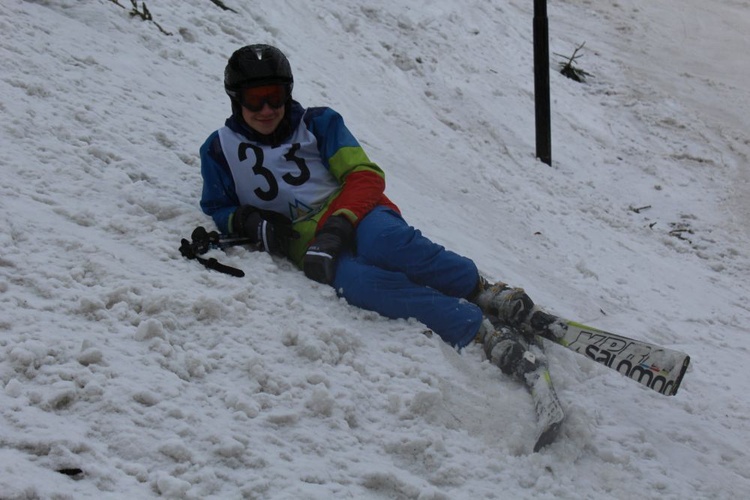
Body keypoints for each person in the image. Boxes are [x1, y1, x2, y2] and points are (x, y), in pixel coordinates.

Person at [199, 44, 536, 377]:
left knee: (386, 242)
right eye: (255, 99)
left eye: (275, 95)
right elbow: (218, 205)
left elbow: (365, 175)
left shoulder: (318, 123)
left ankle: (478, 289)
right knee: (361, 284)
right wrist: (248, 220)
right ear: (236, 99)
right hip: (305, 239)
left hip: (357, 211)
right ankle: (476, 328)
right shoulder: (219, 149)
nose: (267, 109)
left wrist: (339, 224)